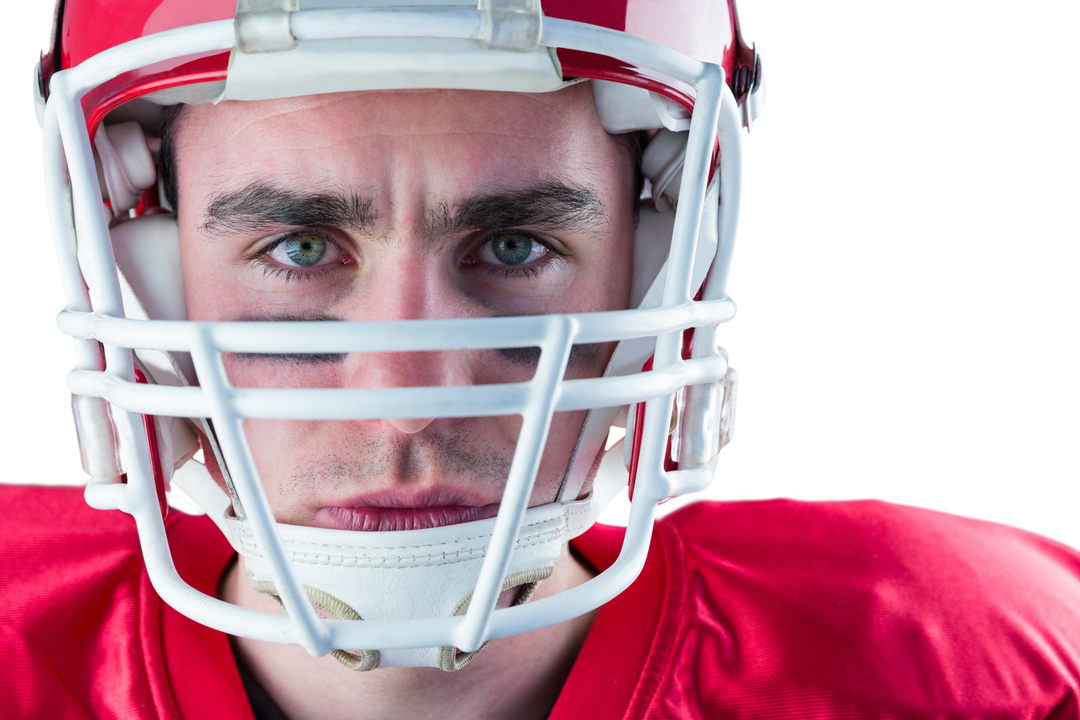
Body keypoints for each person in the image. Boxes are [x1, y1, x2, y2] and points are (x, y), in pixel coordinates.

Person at [5, 1, 1079, 718]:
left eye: (514, 247)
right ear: (144, 266)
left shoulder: (976, 664)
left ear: (653, 266)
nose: (408, 408)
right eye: (298, 249)